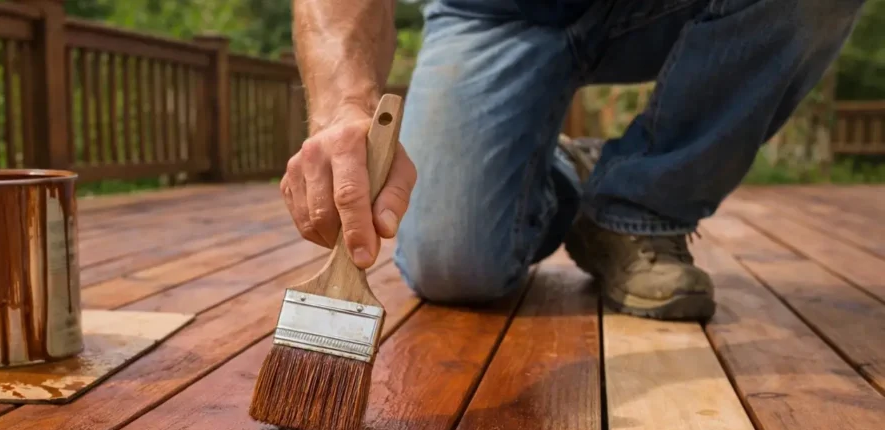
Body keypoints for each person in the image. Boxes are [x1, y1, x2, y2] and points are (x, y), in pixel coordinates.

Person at [280, 0, 865, 320]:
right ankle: (567, 172)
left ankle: (640, 206)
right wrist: (345, 110)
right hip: (496, 14)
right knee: (454, 268)